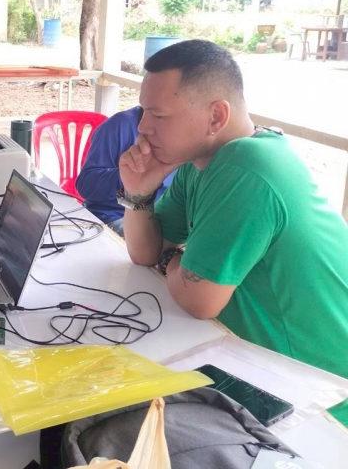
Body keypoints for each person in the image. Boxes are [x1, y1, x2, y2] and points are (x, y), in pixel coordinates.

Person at [118, 40, 348, 395]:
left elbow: (198, 300)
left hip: (315, 394)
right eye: (144, 112)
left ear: (216, 117)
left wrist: (171, 258)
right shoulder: (199, 164)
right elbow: (144, 253)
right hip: (256, 365)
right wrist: (137, 194)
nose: (143, 128)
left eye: (158, 115)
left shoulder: (245, 166)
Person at [76, 106, 174, 237]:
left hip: (163, 221)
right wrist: (127, 177)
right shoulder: (121, 125)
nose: (143, 127)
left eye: (158, 113)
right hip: (115, 217)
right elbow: (86, 185)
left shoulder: (194, 147)